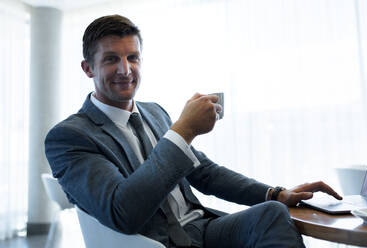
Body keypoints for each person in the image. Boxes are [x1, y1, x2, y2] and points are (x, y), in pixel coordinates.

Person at [45, 15, 342, 248]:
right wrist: (183, 130)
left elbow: (205, 173)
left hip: (199, 229)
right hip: (154, 242)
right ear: (88, 68)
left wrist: (275, 193)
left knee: (273, 213)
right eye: (111, 59)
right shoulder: (70, 136)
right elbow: (123, 211)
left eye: (132, 57)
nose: (125, 70)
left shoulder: (153, 112)